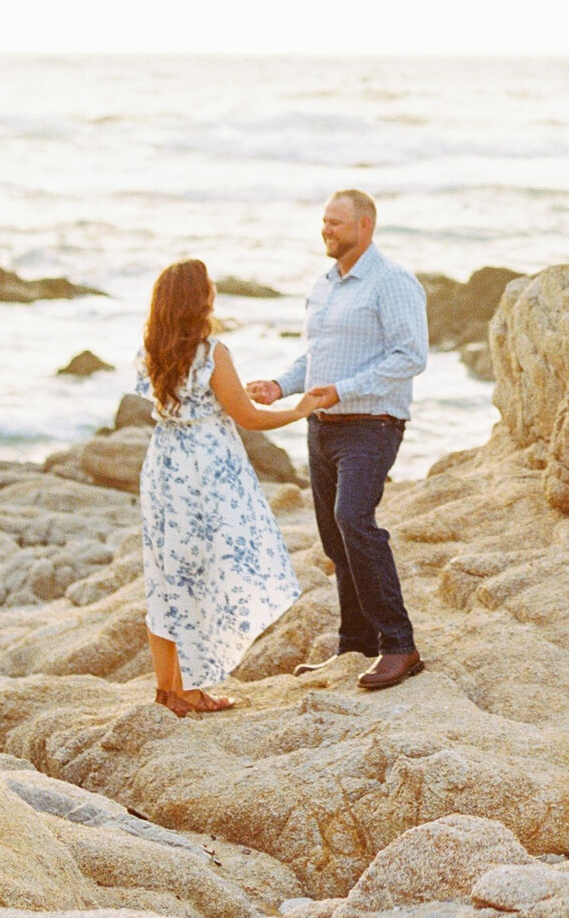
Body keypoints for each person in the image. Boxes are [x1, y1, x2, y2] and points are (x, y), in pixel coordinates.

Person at [248, 189, 429, 690]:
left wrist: (343, 391)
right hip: (321, 428)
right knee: (335, 538)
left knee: (356, 522)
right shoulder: (324, 285)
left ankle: (399, 645)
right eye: (324, 222)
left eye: (336, 223)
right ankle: (354, 646)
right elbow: (317, 359)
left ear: (365, 226)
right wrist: (280, 387)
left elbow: (410, 356)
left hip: (370, 426)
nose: (326, 230)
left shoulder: (392, 282)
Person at [136, 257, 325, 716]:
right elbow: (249, 417)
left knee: (165, 577)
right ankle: (192, 691)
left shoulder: (149, 350)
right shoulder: (211, 353)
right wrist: (300, 409)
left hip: (164, 465)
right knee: (202, 577)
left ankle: (168, 689)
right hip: (205, 470)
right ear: (199, 299)